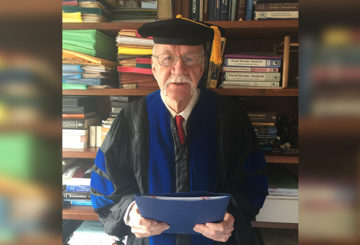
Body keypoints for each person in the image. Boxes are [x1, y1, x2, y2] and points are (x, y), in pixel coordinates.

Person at [90, 16, 268, 245]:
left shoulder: (230, 116)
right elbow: (105, 188)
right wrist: (130, 212)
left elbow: (252, 184)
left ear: (202, 67)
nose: (179, 69)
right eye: (167, 59)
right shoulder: (131, 119)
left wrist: (230, 216)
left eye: (190, 59)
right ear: (153, 67)